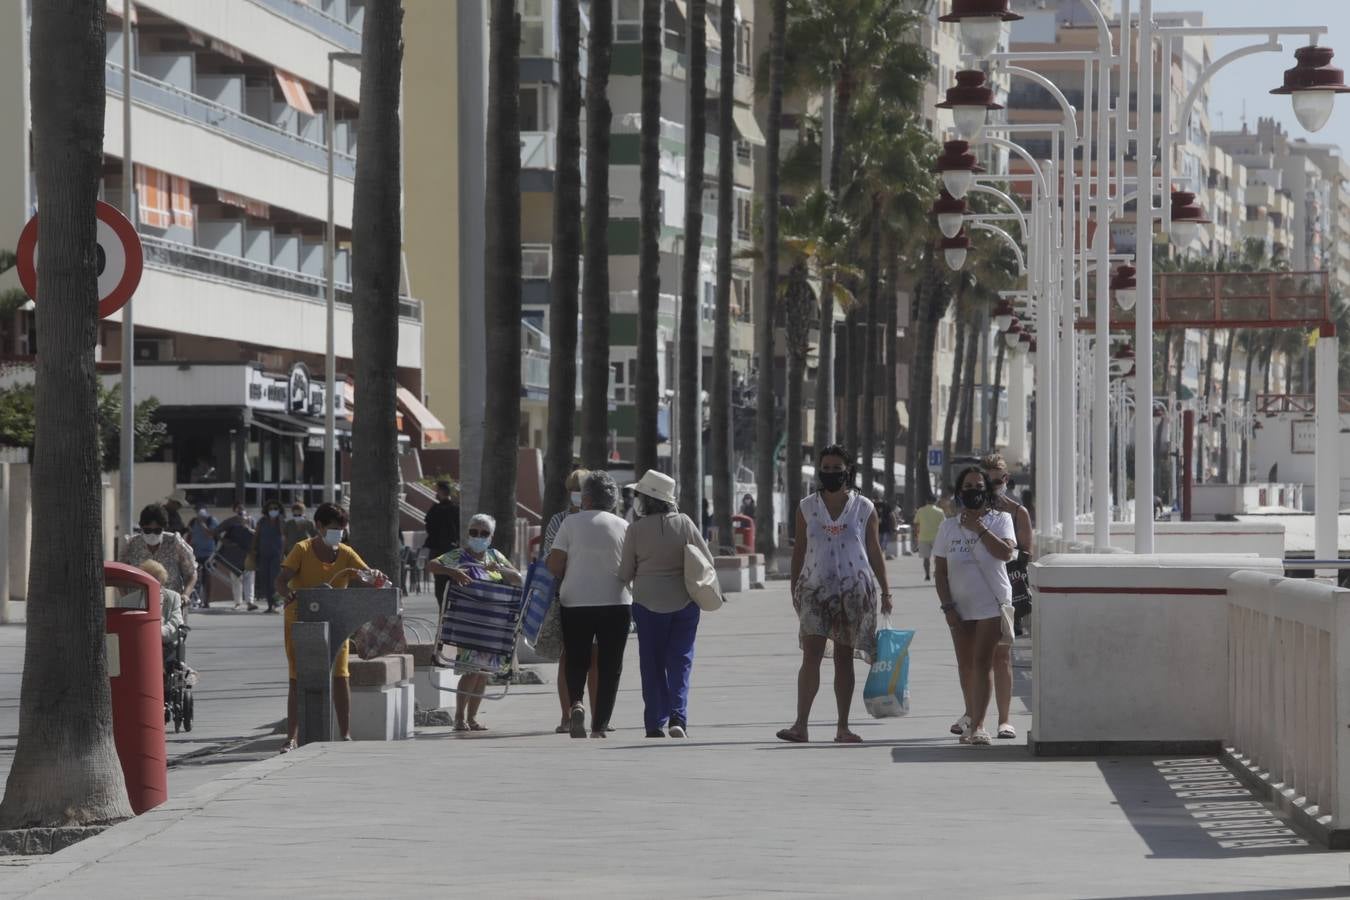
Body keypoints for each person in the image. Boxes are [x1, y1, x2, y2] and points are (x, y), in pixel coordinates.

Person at [777, 445, 892, 744]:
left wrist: (887, 590)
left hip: (855, 592)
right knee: (811, 655)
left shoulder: (864, 507)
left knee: (844, 658)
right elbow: (799, 549)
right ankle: (800, 725)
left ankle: (843, 726)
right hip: (815, 589)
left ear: (848, 470)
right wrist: (794, 588)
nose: (830, 473)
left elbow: (874, 550)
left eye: (836, 467)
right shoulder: (806, 507)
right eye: (825, 468)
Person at [274, 503, 384, 752]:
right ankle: (291, 737)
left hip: (337, 623)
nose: (339, 533)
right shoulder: (302, 549)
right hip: (301, 621)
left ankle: (344, 734)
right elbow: (281, 580)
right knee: (297, 677)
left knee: (340, 676)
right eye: (334, 529)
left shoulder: (346, 553)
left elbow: (369, 576)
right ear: (319, 527)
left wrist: (375, 577)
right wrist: (287, 594)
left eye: (342, 529)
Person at [619, 470, 711, 738]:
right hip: (685, 602)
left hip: (646, 604)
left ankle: (653, 723)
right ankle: (677, 717)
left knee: (652, 663)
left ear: (647, 499)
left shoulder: (635, 529)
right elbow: (707, 560)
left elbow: (625, 572)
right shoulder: (684, 523)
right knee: (681, 661)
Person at [934, 466, 1016, 746]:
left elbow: (1006, 553)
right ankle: (972, 718)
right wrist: (947, 607)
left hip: (991, 605)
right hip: (960, 607)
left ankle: (979, 726)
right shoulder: (948, 527)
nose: (973, 491)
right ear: (959, 492)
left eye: (978, 486)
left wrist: (978, 528)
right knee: (966, 666)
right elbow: (940, 571)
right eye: (967, 487)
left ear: (987, 490)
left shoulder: (1001, 520)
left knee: (982, 664)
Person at [546, 472, 632, 739]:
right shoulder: (624, 526)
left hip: (575, 601)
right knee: (610, 665)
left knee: (576, 658)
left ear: (585, 498)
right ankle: (600, 725)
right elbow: (632, 567)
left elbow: (555, 564)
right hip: (616, 602)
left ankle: (576, 704)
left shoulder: (570, 524)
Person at [426, 514, 523, 732]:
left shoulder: (494, 556)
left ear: (491, 536)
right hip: (468, 625)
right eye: (474, 532)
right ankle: (459, 718)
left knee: (483, 674)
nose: (478, 536)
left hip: (491, 626)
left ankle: (472, 718)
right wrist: (453, 571)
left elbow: (517, 577)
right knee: (471, 671)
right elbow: (432, 565)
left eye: (484, 533)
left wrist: (500, 570)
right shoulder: (459, 555)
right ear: (468, 533)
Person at [540, 468, 599, 733]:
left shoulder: (567, 521)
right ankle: (575, 716)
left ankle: (582, 715)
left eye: (581, 489)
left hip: (573, 595)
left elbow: (551, 560)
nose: (577, 494)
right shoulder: (561, 520)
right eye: (574, 489)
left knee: (579, 658)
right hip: (581, 596)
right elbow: (549, 559)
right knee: (582, 658)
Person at [980, 454, 1035, 740]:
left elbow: (1027, 551)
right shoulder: (971, 507)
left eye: (998, 477)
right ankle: (974, 717)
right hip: (975, 590)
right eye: (988, 478)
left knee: (1002, 656)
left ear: (1007, 479)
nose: (994, 483)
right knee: (975, 658)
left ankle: (1004, 720)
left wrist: (1008, 552)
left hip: (1005, 590)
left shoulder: (1017, 513)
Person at [123, 504, 197, 599]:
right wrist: (127, 598)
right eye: (147, 530)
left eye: (157, 530)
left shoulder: (175, 542)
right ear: (141, 527)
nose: (152, 534)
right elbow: (121, 576)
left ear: (164, 528)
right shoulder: (131, 545)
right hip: (139, 605)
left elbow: (191, 573)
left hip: (171, 604)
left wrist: (185, 595)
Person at [423, 481, 460, 609]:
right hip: (452, 550)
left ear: (441, 491)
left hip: (438, 551)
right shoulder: (456, 509)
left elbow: (429, 527)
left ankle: (442, 610)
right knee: (453, 581)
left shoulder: (435, 510)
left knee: (440, 584)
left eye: (437, 491)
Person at [216, 503, 257, 611]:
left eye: (242, 509)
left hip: (248, 553)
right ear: (234, 511)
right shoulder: (230, 521)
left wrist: (248, 528)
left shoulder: (251, 520)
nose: (240, 511)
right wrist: (225, 542)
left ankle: (250, 602)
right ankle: (238, 602)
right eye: (238, 510)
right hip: (234, 554)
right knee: (236, 578)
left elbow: (256, 535)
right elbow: (217, 532)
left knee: (250, 578)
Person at [252, 500, 286, 613]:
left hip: (276, 554)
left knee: (274, 579)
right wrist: (253, 550)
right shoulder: (262, 521)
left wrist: (282, 554)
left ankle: (277, 603)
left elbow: (283, 537)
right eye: (271, 508)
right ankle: (270, 604)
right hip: (263, 554)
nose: (273, 510)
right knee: (265, 580)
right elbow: (256, 536)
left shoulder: (280, 521)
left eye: (275, 508)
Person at [187, 505, 219, 607]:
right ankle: (196, 599)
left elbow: (211, 534)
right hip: (196, 553)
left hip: (208, 554)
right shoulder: (193, 521)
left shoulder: (211, 520)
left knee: (207, 577)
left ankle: (207, 601)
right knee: (195, 577)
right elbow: (190, 535)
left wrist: (203, 524)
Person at [913, 494, 947, 582]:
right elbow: (944, 524)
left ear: (926, 501)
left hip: (923, 537)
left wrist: (916, 535)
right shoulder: (940, 511)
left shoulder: (920, 510)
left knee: (926, 558)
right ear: (935, 501)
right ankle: (937, 572)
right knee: (937, 557)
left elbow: (916, 523)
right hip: (937, 537)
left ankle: (927, 575)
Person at [874, 493, 896, 561]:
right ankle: (881, 556)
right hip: (885, 528)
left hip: (876, 529)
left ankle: (879, 557)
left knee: (878, 544)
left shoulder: (871, 505)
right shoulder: (886, 505)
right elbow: (892, 516)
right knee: (883, 544)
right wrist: (894, 527)